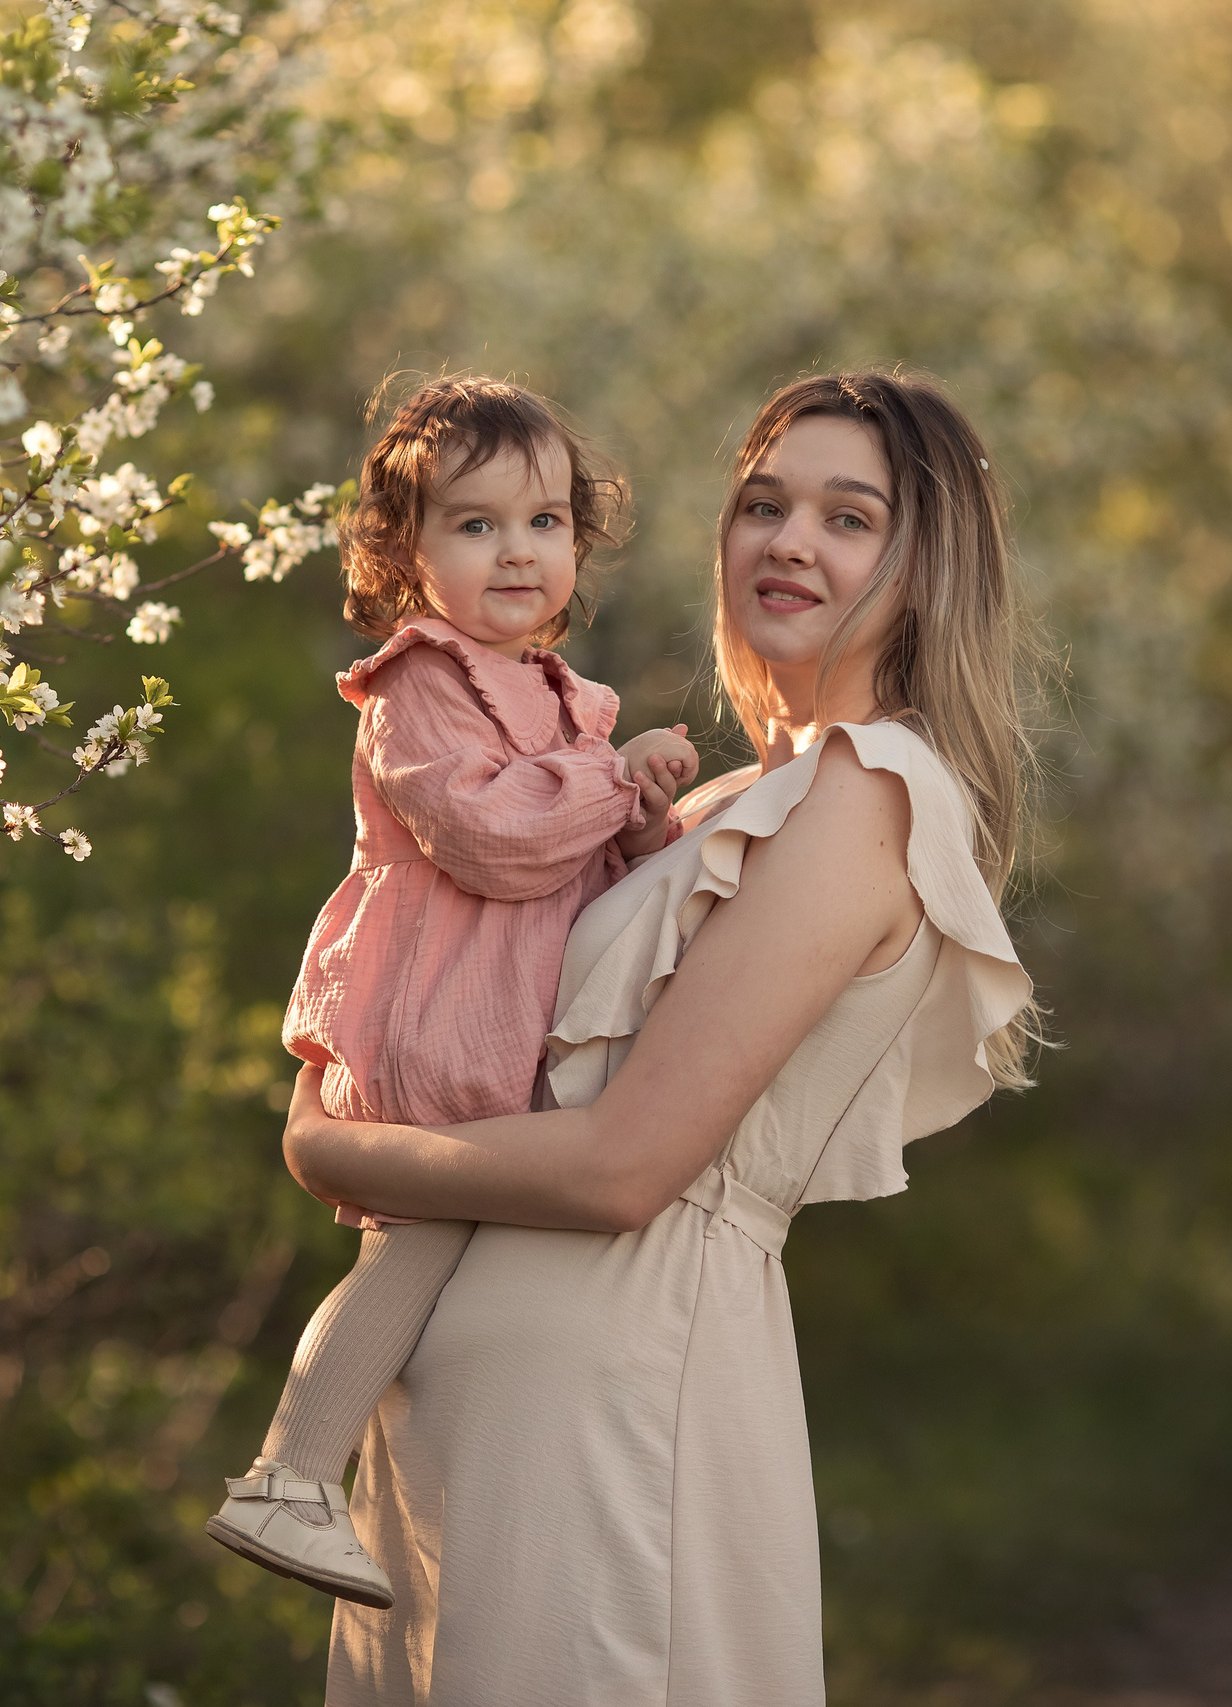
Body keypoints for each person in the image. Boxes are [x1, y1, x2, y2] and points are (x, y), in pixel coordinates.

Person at [279, 369, 1043, 1703]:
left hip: (610, 1398)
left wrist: (341, 1151)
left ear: (927, 569)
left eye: (849, 517)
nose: (789, 539)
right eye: (763, 503)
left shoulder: (865, 794)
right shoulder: (738, 792)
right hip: (482, 1415)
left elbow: (627, 1162)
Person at [207, 376, 701, 1608]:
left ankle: (410, 1491)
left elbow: (577, 863)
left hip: (510, 1011)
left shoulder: (555, 692)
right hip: (438, 1011)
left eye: (541, 522)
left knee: (458, 1263)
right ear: (404, 553)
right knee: (415, 1242)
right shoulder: (418, 685)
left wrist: (640, 823)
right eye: (474, 525)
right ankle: (288, 1475)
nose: (516, 551)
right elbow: (491, 840)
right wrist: (605, 782)